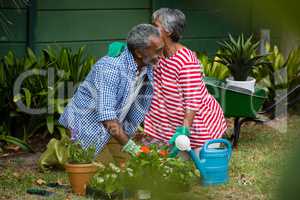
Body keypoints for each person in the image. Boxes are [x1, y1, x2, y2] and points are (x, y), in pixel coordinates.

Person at [58, 24, 164, 163]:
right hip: (87, 127)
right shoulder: (110, 68)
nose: (161, 56)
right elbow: (107, 117)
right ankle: (60, 150)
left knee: (134, 166)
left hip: (112, 129)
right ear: (139, 52)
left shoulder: (146, 65)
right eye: (158, 51)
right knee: (106, 173)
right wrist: (133, 149)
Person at [143, 8, 227, 154]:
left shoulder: (186, 62)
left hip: (198, 128)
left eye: (155, 26)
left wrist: (184, 130)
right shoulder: (158, 53)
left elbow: (192, 100)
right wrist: (125, 51)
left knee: (200, 167)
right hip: (168, 124)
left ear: (168, 31)